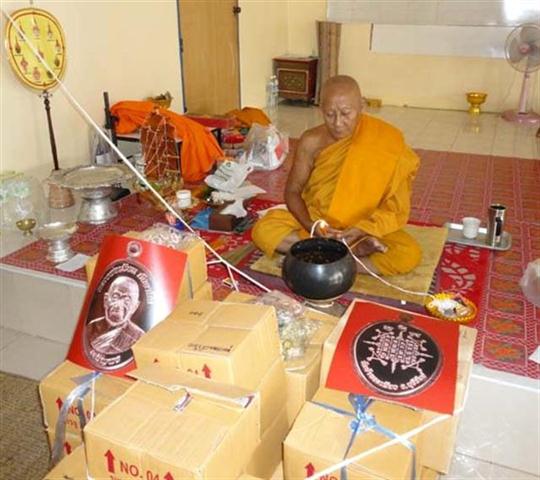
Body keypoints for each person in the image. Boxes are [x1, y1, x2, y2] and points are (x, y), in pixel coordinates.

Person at [252, 75, 421, 276]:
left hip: (364, 223)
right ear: (320, 109)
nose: (338, 123)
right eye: (330, 114)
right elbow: (293, 191)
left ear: (362, 106)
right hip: (320, 222)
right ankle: (347, 253)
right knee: (263, 230)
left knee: (407, 253)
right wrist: (311, 226)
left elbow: (394, 206)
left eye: (346, 113)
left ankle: (324, 255)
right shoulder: (311, 141)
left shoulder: (386, 140)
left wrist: (363, 229)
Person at [87, 276, 144, 355]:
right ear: (106, 300)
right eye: (115, 296)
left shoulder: (139, 337)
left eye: (127, 300)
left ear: (135, 307)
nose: (118, 305)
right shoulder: (92, 326)